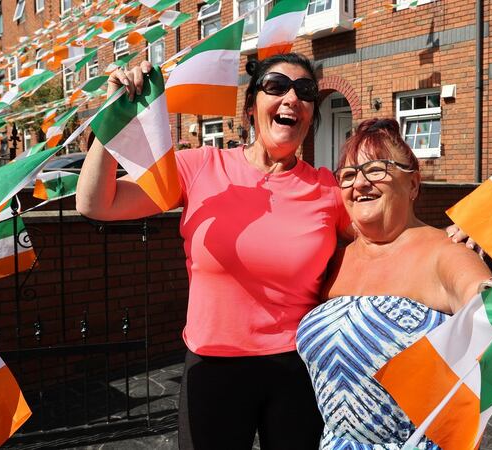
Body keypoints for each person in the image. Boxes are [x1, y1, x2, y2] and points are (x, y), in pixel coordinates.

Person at [76, 53, 351, 449]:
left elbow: (385, 239)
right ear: (251, 107)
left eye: (305, 91)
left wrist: (456, 237)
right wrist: (111, 119)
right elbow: (98, 203)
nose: (292, 97)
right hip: (213, 365)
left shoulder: (328, 189)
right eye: (276, 86)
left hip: (297, 368)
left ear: (311, 112)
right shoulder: (202, 166)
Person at [296, 118, 492, 448]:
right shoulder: (333, 260)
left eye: (376, 169)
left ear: (413, 185)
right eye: (348, 175)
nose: (359, 183)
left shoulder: (444, 254)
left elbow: (480, 297)